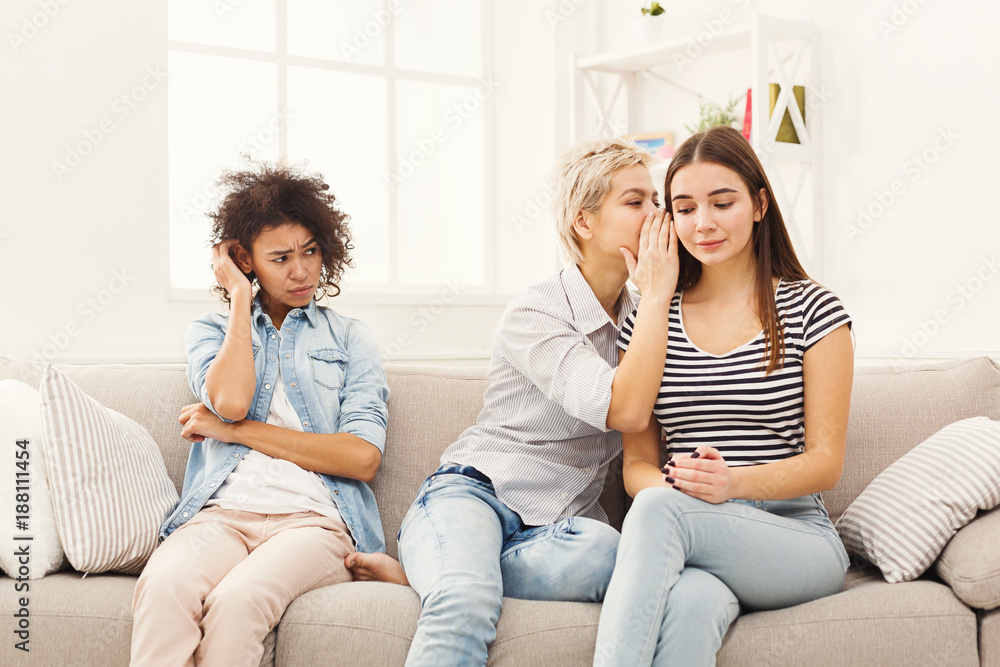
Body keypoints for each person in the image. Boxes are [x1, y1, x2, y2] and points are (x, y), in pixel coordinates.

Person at [349, 137, 680, 665]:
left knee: (613, 553)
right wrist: (661, 293)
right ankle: (450, 568)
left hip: (560, 530)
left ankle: (429, 569)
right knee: (463, 602)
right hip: (477, 495)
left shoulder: (647, 318)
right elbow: (626, 410)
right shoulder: (538, 310)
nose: (656, 216)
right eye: (635, 201)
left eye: (657, 202)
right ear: (584, 222)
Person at [592, 125, 853, 666]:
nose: (703, 223)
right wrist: (685, 491)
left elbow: (826, 464)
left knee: (661, 512)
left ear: (759, 205)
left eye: (722, 202)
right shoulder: (648, 317)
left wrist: (729, 484)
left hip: (795, 536)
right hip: (688, 525)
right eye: (684, 208)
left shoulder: (813, 310)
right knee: (689, 603)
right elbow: (637, 463)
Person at [130, 162, 390, 667]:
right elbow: (227, 400)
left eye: (311, 251)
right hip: (222, 514)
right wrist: (239, 298)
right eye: (281, 258)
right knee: (162, 587)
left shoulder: (350, 339)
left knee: (237, 603)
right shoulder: (211, 330)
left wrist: (237, 432)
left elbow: (361, 459)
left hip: (313, 522)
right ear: (244, 259)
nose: (301, 271)